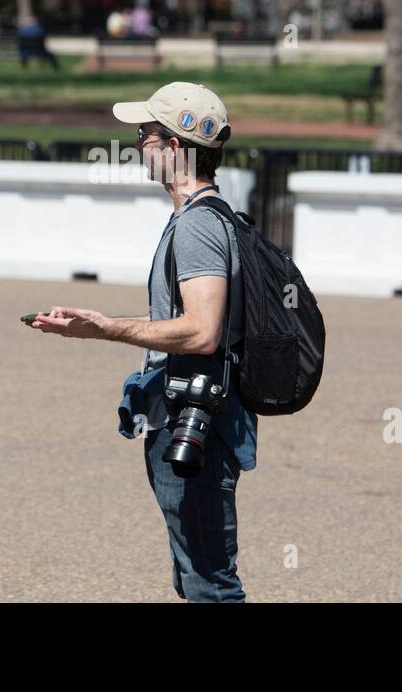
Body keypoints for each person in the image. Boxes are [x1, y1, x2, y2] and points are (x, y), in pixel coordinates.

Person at [30, 82, 255, 602]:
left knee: (209, 583)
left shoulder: (197, 226)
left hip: (197, 421)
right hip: (191, 413)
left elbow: (202, 330)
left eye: (144, 134)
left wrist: (104, 327)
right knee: (196, 573)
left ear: (174, 147)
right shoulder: (208, 216)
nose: (137, 144)